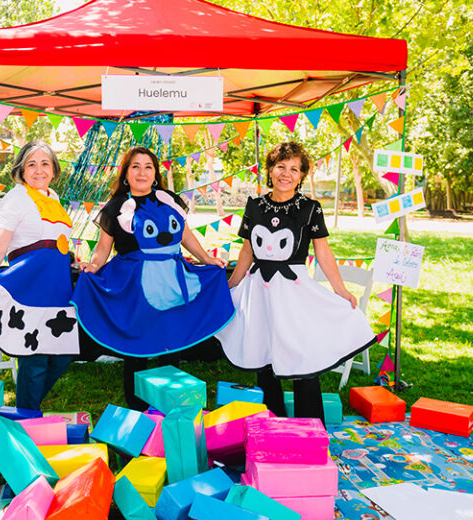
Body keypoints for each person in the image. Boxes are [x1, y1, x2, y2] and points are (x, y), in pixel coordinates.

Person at [216, 141, 377, 423]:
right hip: (260, 289)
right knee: (262, 352)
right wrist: (232, 284)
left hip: (293, 292)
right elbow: (247, 250)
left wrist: (341, 290)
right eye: (281, 166)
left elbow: (323, 252)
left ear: (301, 175)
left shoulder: (310, 208)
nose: (286, 174)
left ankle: (309, 425)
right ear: (270, 169)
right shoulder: (255, 205)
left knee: (302, 355)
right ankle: (273, 421)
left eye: (294, 168)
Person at [71, 146, 235, 410]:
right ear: (126, 173)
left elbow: (186, 236)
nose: (142, 172)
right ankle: (138, 410)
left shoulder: (168, 199)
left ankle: (171, 408)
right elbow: (103, 248)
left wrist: (207, 259)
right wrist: (94, 264)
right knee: (138, 346)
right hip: (134, 287)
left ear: (155, 172)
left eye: (148, 166)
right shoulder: (115, 207)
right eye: (135, 166)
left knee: (171, 342)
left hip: (171, 281)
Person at [0, 140, 78, 410]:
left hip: (57, 286)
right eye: (31, 164)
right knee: (33, 359)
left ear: (54, 170)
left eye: (45, 163)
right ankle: (26, 417)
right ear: (20, 170)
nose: (38, 170)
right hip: (30, 286)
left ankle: (27, 408)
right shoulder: (15, 198)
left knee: (62, 352)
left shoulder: (53, 197)